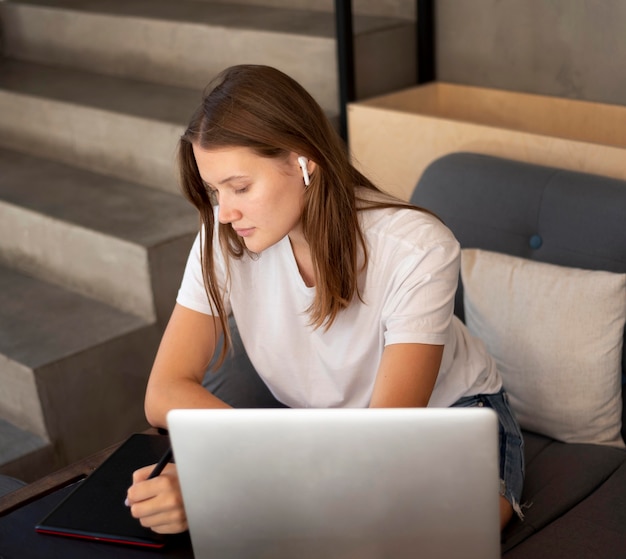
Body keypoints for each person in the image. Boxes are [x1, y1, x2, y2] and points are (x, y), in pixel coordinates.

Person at [125, 64, 524, 534]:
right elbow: (164, 392)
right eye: (215, 191)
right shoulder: (223, 235)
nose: (225, 211)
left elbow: (382, 444)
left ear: (303, 160)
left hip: (446, 420)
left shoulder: (417, 248)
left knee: (415, 535)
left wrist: (221, 483)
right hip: (327, 437)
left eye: (240, 186)